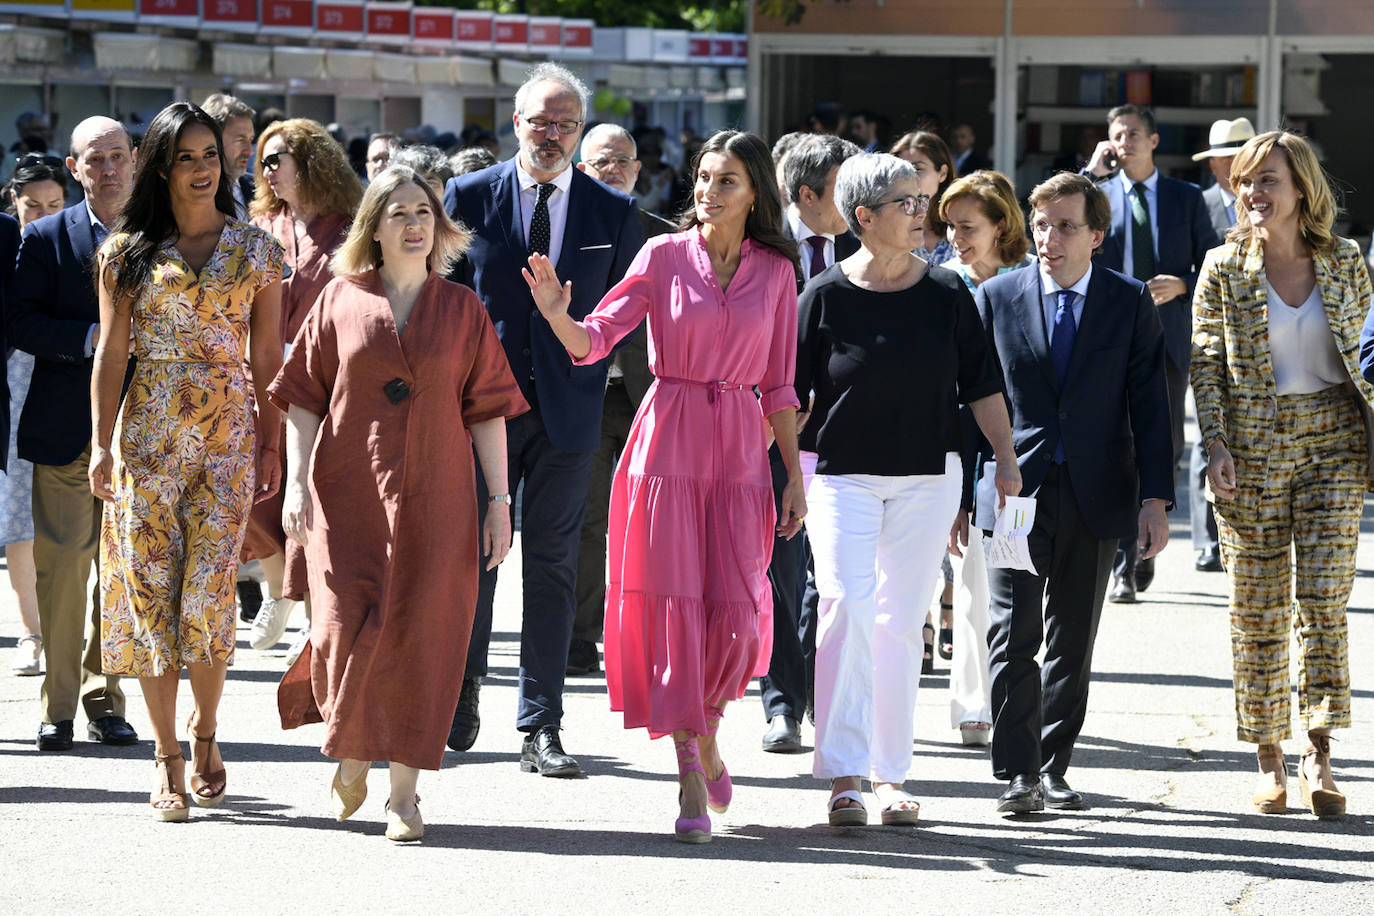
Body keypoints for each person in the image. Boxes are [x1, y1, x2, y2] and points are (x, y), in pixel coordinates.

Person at [526, 128, 805, 843]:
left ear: (755, 195)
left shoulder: (776, 271)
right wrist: (560, 316)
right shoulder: (661, 254)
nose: (708, 192)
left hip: (741, 448)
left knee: (736, 611)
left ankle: (709, 732)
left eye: (727, 181)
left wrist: (793, 475)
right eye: (704, 177)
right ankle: (688, 765)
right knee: (675, 607)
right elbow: (596, 340)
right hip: (667, 439)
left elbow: (779, 382)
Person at [272, 165, 527, 842]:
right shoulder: (338, 299)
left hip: (439, 497)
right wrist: (295, 483)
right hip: (348, 494)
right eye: (399, 213)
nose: (415, 223)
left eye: (424, 212)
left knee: (426, 634)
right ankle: (353, 748)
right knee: (340, 628)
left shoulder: (463, 309)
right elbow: (300, 397)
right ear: (374, 229)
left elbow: (489, 412)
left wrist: (499, 503)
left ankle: (404, 796)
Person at [797, 153, 1018, 827]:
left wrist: (1005, 459)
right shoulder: (824, 295)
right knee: (845, 607)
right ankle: (844, 772)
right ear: (864, 217)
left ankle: (890, 776)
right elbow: (790, 396)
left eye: (920, 201)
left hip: (928, 479)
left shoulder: (949, 293)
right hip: (839, 478)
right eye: (907, 203)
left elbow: (981, 384)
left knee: (900, 624)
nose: (922, 214)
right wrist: (775, 473)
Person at [442, 63, 643, 775]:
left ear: (579, 133)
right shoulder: (466, 196)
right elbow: (447, 303)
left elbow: (619, 324)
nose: (552, 135)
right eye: (540, 122)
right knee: (475, 562)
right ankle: (461, 692)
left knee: (553, 569)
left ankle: (541, 725)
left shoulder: (612, 213)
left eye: (566, 124)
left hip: (569, 415)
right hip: (480, 414)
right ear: (516, 123)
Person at [90, 102, 284, 820]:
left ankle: (207, 731)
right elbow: (112, 354)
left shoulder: (258, 250)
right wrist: (101, 444)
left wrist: (272, 442)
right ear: (162, 168)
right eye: (189, 158)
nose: (205, 169)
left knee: (208, 597)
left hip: (228, 444)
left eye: (212, 155)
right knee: (151, 599)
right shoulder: (127, 252)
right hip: (147, 444)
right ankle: (166, 753)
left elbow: (268, 357)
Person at [971, 172, 1173, 814]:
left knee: (1072, 637)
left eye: (1065, 226)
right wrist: (963, 495)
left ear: (1097, 236)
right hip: (1013, 492)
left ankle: (1054, 765)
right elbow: (973, 399)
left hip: (1098, 490)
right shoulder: (997, 296)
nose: (1049, 238)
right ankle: (1018, 772)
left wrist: (1156, 500)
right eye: (1041, 224)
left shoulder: (1126, 300)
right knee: (1012, 632)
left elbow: (1151, 404)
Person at [1201, 131, 1371, 820]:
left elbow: (1371, 347)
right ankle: (1268, 750)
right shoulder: (1224, 266)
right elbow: (1206, 361)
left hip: (1333, 440)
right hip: (1253, 448)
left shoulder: (1346, 260)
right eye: (1245, 181)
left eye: (1267, 179)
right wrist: (1214, 442)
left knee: (1325, 598)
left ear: (1301, 186)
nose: (1253, 193)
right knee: (1258, 607)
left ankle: (1320, 750)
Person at [9, 117, 139, 752]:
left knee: (120, 572)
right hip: (65, 430)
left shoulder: (158, 237)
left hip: (141, 434)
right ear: (74, 166)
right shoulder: (45, 239)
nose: (109, 168)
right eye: (96, 159)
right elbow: (21, 323)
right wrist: (90, 341)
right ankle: (57, 707)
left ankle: (105, 699)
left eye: (118, 156)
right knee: (62, 572)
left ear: (135, 160)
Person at [1085, 104, 1219, 603]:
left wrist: (1183, 282)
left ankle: (1146, 543)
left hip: (1166, 335)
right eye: (1117, 135)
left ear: (1154, 140)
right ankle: (1124, 562)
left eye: (1134, 133)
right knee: (1118, 446)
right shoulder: (1095, 197)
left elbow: (1214, 257)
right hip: (1110, 338)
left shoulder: (1186, 197)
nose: (1125, 142)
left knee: (1161, 445)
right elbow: (1062, 230)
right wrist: (1089, 173)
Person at [243, 118, 363, 660]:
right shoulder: (262, 223)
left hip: (325, 377)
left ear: (310, 161)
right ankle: (278, 590)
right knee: (257, 495)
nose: (267, 169)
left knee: (312, 498)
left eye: (277, 158)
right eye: (263, 160)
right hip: (261, 371)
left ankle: (316, 625)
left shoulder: (349, 228)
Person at [761, 132, 861, 755]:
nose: (859, 203)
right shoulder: (762, 245)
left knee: (835, 580)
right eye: (844, 191)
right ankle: (781, 704)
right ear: (807, 195)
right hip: (774, 431)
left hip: (847, 434)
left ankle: (831, 701)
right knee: (784, 568)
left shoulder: (867, 243)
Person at [568, 124, 676, 678]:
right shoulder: (563, 231)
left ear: (639, 171)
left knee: (651, 523)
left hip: (648, 397)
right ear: (581, 171)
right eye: (600, 163)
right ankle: (580, 638)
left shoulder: (666, 238)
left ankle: (645, 638)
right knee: (584, 520)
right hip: (582, 396)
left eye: (623, 162)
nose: (613, 170)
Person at [938, 169, 1035, 746]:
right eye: (949, 226)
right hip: (963, 453)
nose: (955, 237)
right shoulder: (939, 284)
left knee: (1021, 582)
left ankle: (1022, 699)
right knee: (971, 579)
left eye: (968, 227)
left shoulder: (1033, 281)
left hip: (1028, 451)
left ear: (1002, 226)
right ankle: (974, 701)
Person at [3, 158, 63, 675]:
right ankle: (30, 632)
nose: (42, 214)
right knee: (19, 514)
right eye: (31, 206)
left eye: (53, 205)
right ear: (13, 203)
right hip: (12, 384)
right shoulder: (7, 244)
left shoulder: (71, 240)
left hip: (65, 379)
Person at [1189, 116, 1256, 574]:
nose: (1222, 165)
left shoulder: (1272, 200)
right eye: (1216, 158)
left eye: (1230, 156)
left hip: (1257, 339)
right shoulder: (1201, 202)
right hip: (1211, 332)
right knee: (1205, 439)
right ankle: (1206, 540)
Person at [889, 130, 957, 263]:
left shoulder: (961, 224)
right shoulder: (888, 227)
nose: (908, 177)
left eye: (918, 168)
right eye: (902, 170)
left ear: (942, 173)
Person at [200, 93, 257, 218]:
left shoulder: (258, 190)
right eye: (241, 140)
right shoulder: (194, 191)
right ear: (213, 140)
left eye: (251, 140)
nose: (250, 151)